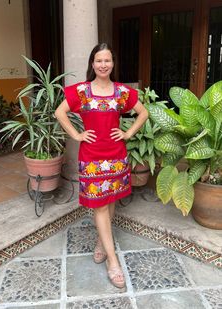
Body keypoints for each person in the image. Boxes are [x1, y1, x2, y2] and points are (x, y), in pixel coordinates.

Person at [55, 43, 148, 289]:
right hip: (93, 158)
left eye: (107, 60)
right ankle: (113, 261)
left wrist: (127, 135)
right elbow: (60, 113)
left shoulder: (122, 92)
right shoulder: (82, 91)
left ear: (112, 63)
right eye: (99, 60)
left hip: (116, 155)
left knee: (111, 199)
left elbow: (143, 113)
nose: (103, 65)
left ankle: (101, 243)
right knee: (100, 205)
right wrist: (76, 135)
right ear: (92, 63)